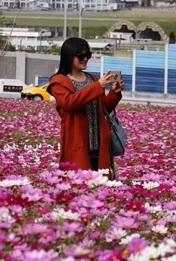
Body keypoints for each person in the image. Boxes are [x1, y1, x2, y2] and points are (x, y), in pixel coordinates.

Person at [48, 37, 124, 178]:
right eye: (81, 56)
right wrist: (98, 86)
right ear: (69, 56)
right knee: (78, 185)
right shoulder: (59, 81)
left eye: (87, 55)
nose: (85, 59)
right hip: (78, 142)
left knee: (100, 185)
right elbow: (70, 103)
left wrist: (114, 92)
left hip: (99, 143)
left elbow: (103, 108)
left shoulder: (93, 80)